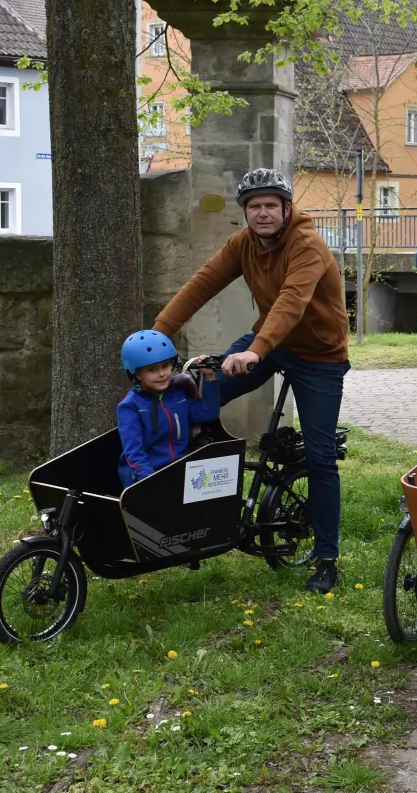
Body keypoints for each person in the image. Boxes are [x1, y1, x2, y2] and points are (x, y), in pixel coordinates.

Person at [152, 169, 352, 593]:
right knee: (197, 401)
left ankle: (327, 559)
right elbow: (202, 284)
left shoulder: (307, 245)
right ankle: (197, 522)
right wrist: (157, 334)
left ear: (286, 208)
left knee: (319, 457)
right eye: (254, 206)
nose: (262, 213)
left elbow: (291, 303)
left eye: (270, 205)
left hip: (319, 355)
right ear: (245, 212)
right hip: (269, 342)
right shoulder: (242, 244)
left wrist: (254, 352)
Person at [115, 331, 222, 488]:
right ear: (137, 374)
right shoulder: (130, 407)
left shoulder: (178, 392)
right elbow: (134, 454)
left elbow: (207, 413)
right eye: (152, 370)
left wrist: (210, 378)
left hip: (179, 471)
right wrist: (151, 482)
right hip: (145, 478)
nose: (162, 374)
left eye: (165, 366)